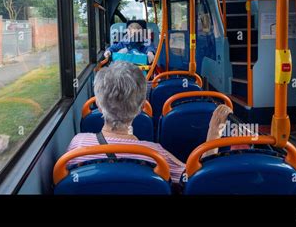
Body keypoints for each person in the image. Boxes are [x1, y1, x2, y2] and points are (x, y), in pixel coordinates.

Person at [66, 61, 233, 184]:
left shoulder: (77, 146)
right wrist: (213, 133)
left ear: (100, 106)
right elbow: (196, 178)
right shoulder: (156, 155)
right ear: (141, 107)